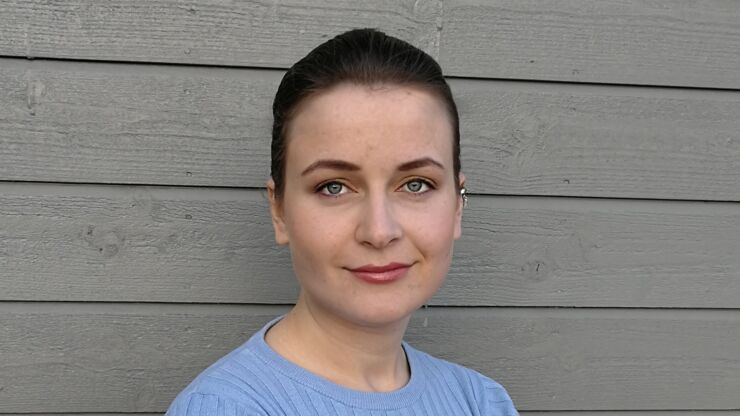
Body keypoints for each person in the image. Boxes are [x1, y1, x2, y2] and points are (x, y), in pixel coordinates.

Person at [166, 28, 518, 415]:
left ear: (457, 206)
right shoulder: (224, 408)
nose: (379, 231)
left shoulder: (481, 401)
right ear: (278, 210)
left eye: (416, 184)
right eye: (334, 187)